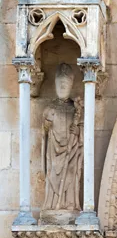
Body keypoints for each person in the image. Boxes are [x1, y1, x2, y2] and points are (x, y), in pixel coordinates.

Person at [42, 63, 83, 217]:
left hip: (71, 151)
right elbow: (44, 135)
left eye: (65, 84)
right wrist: (46, 128)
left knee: (72, 175)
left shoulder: (75, 109)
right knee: (52, 176)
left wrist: (78, 131)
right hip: (54, 153)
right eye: (60, 84)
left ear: (71, 85)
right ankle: (52, 205)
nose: (62, 87)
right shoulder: (49, 108)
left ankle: (69, 204)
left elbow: (83, 134)